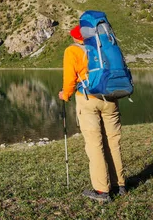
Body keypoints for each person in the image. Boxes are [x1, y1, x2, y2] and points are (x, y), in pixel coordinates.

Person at [58, 25, 126, 203]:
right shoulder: (104, 46)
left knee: (95, 144)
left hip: (87, 99)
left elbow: (69, 79)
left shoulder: (73, 50)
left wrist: (65, 95)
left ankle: (102, 190)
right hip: (111, 98)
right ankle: (120, 184)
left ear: (76, 37)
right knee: (113, 140)